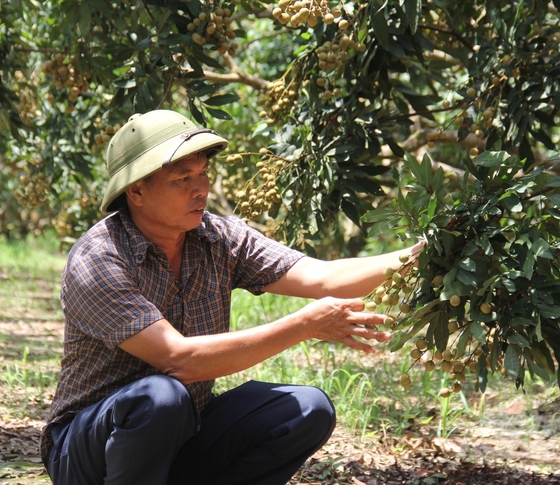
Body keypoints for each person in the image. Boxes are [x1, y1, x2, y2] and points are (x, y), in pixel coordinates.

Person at [40, 109, 421, 485]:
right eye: (182, 178)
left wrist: (421, 256)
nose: (201, 187)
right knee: (162, 397)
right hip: (87, 451)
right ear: (136, 190)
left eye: (203, 172)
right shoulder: (99, 258)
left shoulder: (218, 238)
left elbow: (322, 277)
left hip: (184, 435)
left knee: (307, 409)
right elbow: (178, 360)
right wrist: (304, 325)